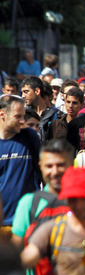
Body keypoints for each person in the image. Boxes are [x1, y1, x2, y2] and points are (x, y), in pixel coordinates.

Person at [11, 139, 85, 275]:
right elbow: (17, 250)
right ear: (40, 166)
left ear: (72, 165)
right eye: (49, 166)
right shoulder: (29, 203)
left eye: (61, 165)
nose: (55, 171)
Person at [0, 95, 41, 241]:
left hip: (28, 222)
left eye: (23, 116)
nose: (23, 121)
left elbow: (42, 172)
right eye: (18, 116)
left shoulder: (30, 137)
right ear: (2, 115)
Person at [21, 77, 58, 142]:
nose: (23, 96)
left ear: (37, 91)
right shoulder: (23, 115)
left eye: (26, 92)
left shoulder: (56, 115)